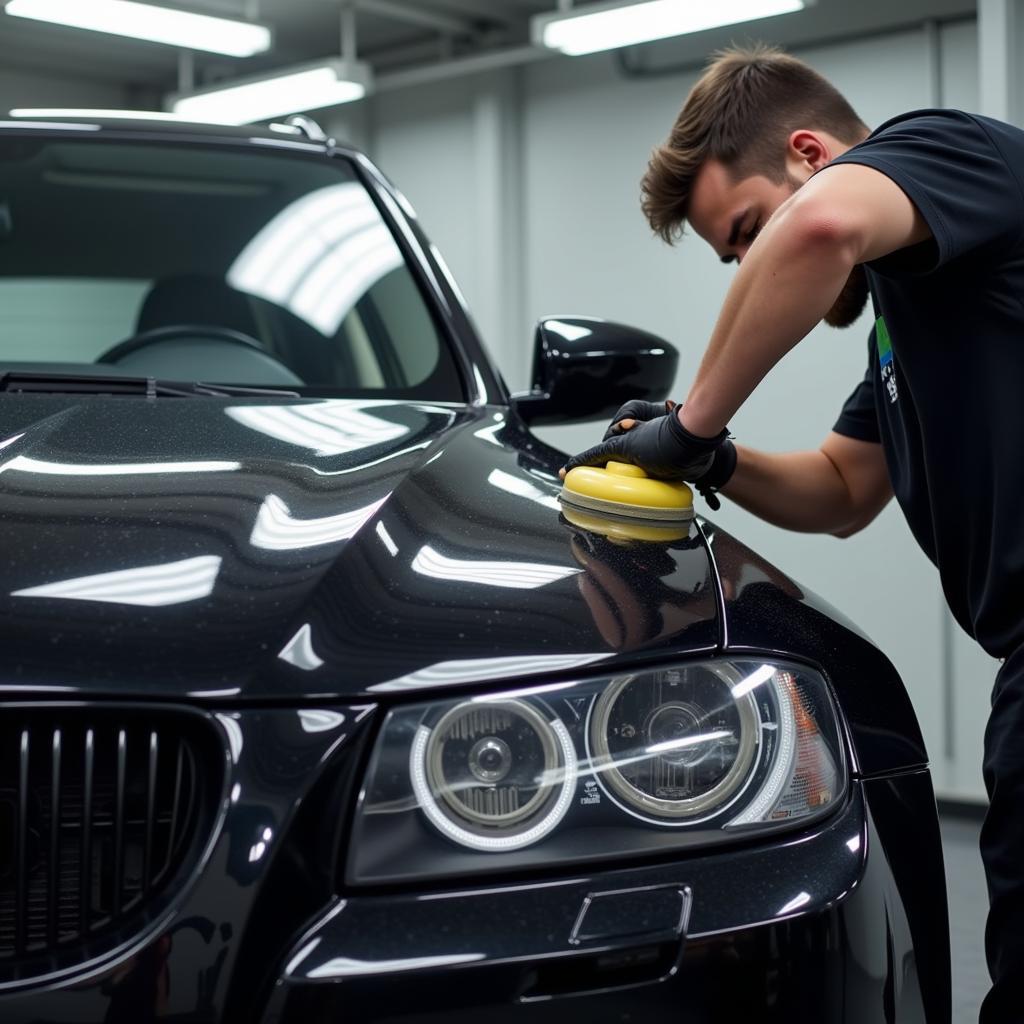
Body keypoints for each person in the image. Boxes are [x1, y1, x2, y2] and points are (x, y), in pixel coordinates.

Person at [559, 43, 1024, 1023]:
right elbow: (839, 489)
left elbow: (818, 228)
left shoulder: (949, 149)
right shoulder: (909, 315)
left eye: (744, 233)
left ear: (811, 152)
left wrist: (689, 427)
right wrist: (712, 462)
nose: (750, 264)